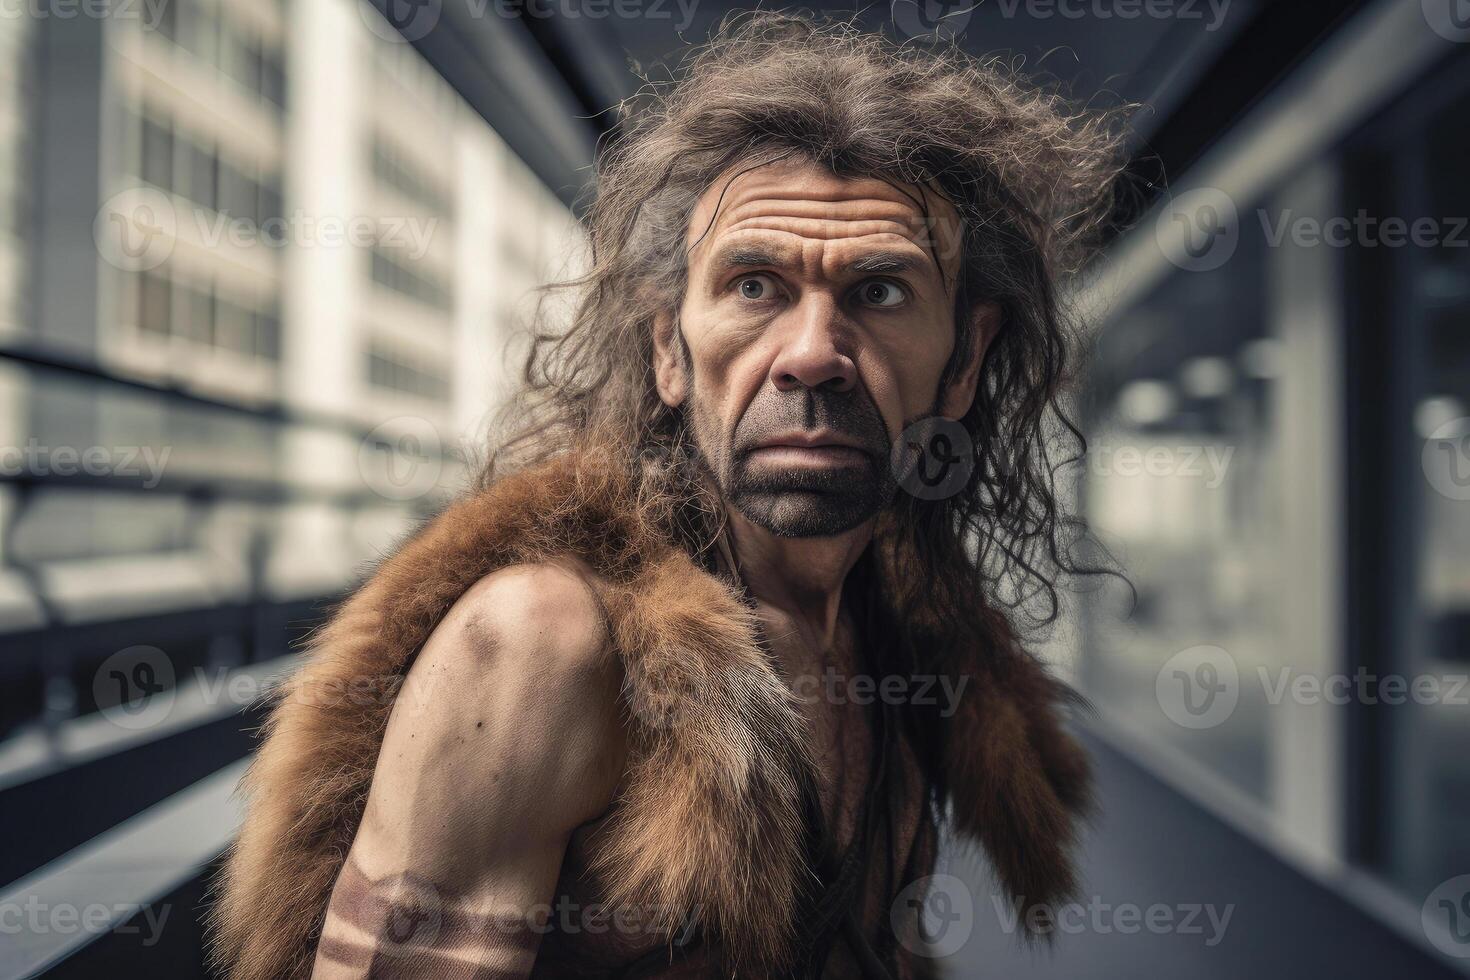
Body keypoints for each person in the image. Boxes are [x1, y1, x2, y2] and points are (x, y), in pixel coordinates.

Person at [209, 12, 1126, 979]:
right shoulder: (541, 645)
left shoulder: (901, 636)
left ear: (965, 362)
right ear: (667, 352)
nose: (813, 354)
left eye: (881, 291)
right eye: (754, 286)